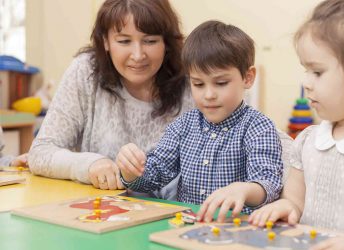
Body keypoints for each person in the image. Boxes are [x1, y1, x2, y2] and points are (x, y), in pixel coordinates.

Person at [249, 0, 344, 249]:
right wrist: (287, 207)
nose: (306, 83)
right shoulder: (309, 140)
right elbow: (295, 201)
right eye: (305, 70)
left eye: (317, 72)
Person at [116, 20, 283, 222]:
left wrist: (245, 190)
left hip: (236, 231)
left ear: (247, 77)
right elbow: (154, 176)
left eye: (221, 83)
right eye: (198, 84)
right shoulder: (183, 125)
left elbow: (269, 182)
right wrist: (131, 170)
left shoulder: (257, 127)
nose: (209, 94)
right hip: (187, 229)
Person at [28, 0, 194, 193]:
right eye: (124, 41)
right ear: (105, 41)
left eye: (150, 41)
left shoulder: (194, 79)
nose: (138, 55)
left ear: (166, 42)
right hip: (101, 215)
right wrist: (91, 164)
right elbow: (40, 153)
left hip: (178, 216)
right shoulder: (85, 72)